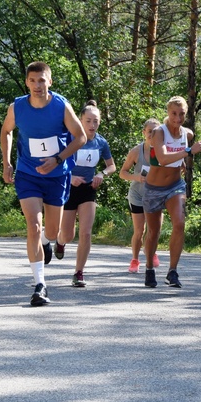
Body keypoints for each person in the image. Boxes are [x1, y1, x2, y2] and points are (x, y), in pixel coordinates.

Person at [0, 61, 86, 307]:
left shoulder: (61, 106)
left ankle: (48, 243)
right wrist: (6, 163)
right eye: (32, 80)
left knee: (50, 231)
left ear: (50, 81)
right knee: (33, 226)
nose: (37, 85)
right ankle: (40, 284)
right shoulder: (17, 107)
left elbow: (80, 137)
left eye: (42, 80)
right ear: (27, 82)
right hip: (27, 173)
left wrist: (58, 159)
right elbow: (6, 131)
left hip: (57, 176)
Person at [142, 96, 201, 289]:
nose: (177, 118)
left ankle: (172, 271)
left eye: (181, 114)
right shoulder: (159, 132)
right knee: (153, 232)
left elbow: (183, 146)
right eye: (174, 113)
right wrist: (187, 152)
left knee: (179, 223)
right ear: (167, 113)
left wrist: (183, 160)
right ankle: (149, 268)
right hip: (153, 188)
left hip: (175, 186)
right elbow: (161, 158)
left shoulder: (187, 133)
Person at [54, 100, 116, 288]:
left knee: (86, 233)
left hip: (88, 189)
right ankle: (59, 240)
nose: (92, 125)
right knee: (68, 235)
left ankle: (78, 272)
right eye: (88, 121)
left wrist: (101, 174)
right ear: (80, 121)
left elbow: (111, 166)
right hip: (69, 188)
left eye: (95, 121)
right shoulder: (70, 138)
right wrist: (70, 176)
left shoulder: (101, 142)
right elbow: (57, 162)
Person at [118, 118, 162, 274]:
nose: (152, 134)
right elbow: (122, 173)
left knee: (155, 229)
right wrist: (137, 177)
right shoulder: (136, 151)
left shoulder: (163, 150)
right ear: (144, 133)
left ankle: (151, 252)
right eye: (149, 131)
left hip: (155, 195)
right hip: (137, 195)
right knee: (139, 230)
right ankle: (135, 260)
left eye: (156, 132)